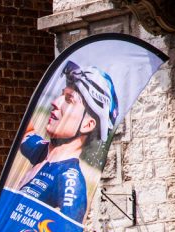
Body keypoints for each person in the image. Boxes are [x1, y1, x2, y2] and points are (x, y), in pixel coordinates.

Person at [13, 61, 119, 223]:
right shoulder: (42, 152)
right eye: (62, 95)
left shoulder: (70, 181)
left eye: (69, 100)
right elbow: (27, 132)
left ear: (88, 124)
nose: (55, 102)